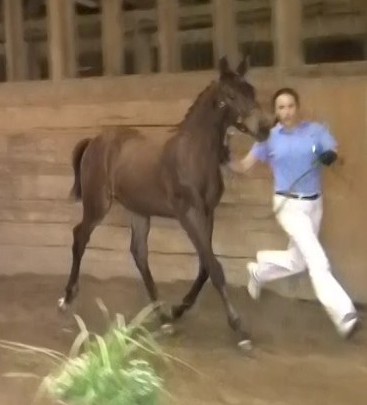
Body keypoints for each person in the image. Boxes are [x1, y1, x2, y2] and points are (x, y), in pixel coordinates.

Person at [228, 87, 359, 339]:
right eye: (281, 107)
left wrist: (332, 157)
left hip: (314, 205)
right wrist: (224, 158)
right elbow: (244, 166)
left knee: (298, 261)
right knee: (317, 260)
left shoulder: (315, 131)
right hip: (288, 206)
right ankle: (344, 315)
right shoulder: (268, 139)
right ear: (275, 111)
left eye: (290, 106)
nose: (286, 112)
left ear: (297, 107)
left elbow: (336, 157)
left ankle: (259, 270)